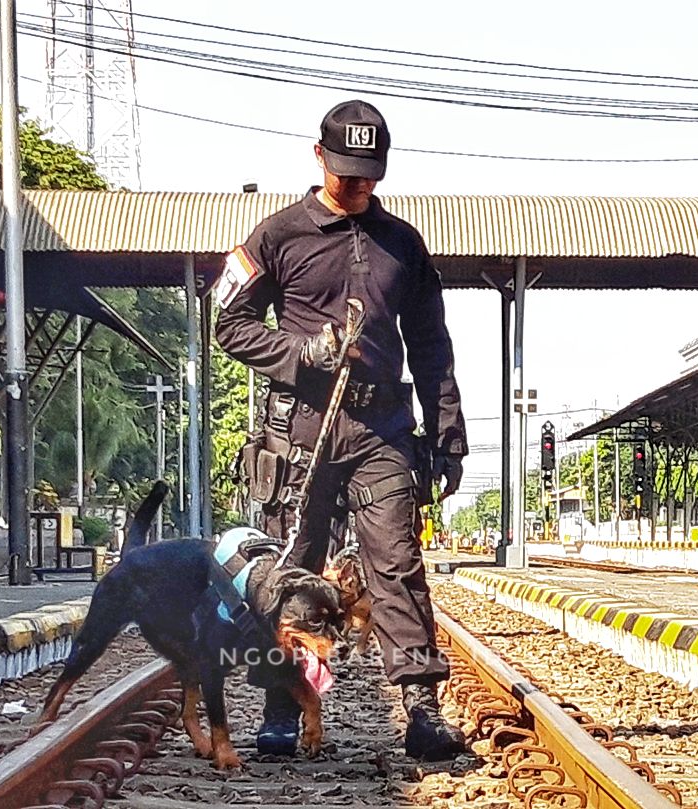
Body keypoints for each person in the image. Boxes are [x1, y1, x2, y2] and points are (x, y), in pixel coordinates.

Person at [214, 99, 467, 761]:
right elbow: (228, 325)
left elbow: (431, 343)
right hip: (299, 428)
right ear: (318, 156)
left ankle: (420, 708)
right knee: (289, 570)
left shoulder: (403, 245)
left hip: (382, 427)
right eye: (347, 170)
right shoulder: (275, 237)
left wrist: (446, 434)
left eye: (370, 173)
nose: (358, 185)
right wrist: (301, 354)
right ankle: (278, 707)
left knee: (396, 567)